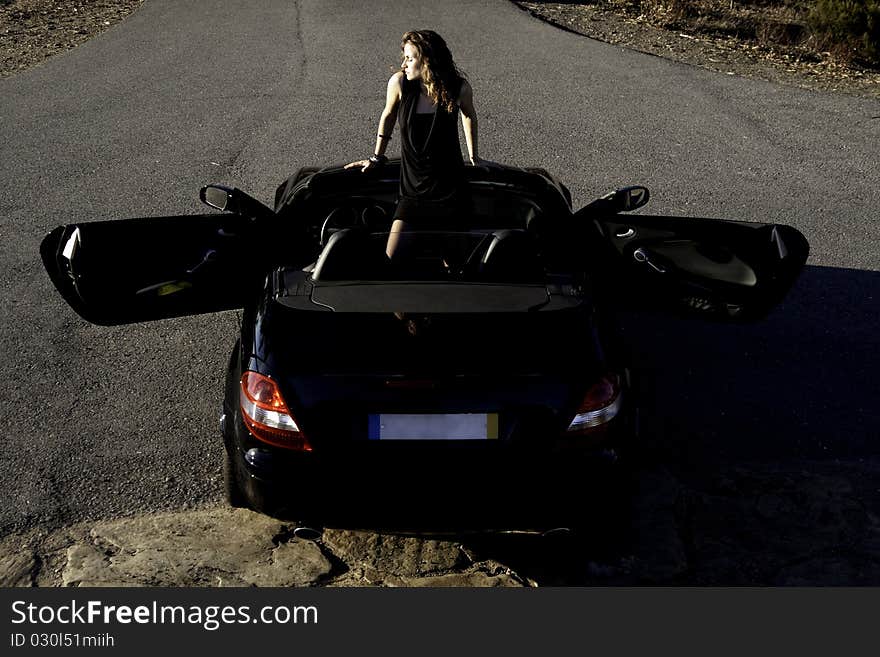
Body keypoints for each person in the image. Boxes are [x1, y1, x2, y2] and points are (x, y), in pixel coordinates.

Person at [345, 30, 487, 261]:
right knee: (391, 258)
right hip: (412, 192)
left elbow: (469, 114)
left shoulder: (458, 88)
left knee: (456, 266)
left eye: (410, 58)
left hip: (450, 190)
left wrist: (475, 156)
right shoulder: (400, 83)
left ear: (426, 60)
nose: (404, 64)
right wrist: (376, 157)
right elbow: (388, 116)